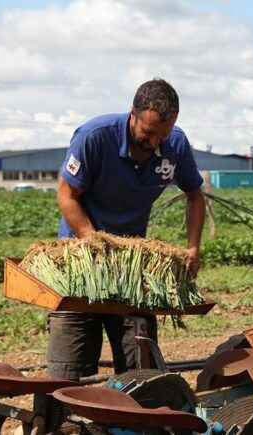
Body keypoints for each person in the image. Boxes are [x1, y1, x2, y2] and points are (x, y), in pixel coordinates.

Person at [49, 78, 206, 381]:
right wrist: (92, 240)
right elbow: (66, 195)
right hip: (81, 262)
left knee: (141, 367)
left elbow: (195, 196)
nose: (156, 142)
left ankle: (132, 423)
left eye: (164, 134)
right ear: (132, 114)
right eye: (149, 133)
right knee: (69, 371)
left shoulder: (175, 145)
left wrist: (193, 247)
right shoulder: (95, 136)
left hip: (130, 269)